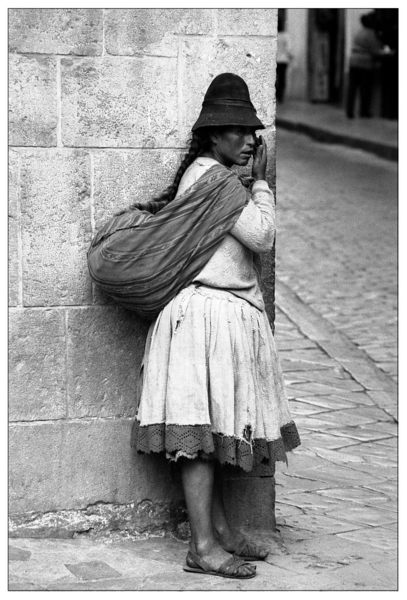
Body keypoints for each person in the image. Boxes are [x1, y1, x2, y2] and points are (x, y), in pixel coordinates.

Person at [131, 73, 300, 579]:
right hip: (204, 320)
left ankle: (220, 533)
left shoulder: (212, 176)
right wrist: (264, 183)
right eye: (239, 130)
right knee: (201, 440)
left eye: (253, 131)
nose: (250, 139)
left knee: (213, 432)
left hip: (211, 319)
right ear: (211, 135)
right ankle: (202, 547)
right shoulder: (216, 181)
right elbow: (263, 237)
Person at [346, 12, 385, 119]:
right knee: (365, 89)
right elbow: (376, 50)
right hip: (364, 63)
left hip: (353, 61)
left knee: (352, 88)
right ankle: (364, 111)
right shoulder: (371, 34)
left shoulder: (358, 32)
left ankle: (350, 111)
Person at [276, 21, 293, 103]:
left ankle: (275, 94)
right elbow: (288, 49)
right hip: (283, 60)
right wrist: (291, 56)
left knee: (275, 78)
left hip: (275, 60)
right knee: (282, 79)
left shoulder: (275, 35)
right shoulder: (286, 36)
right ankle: (281, 97)